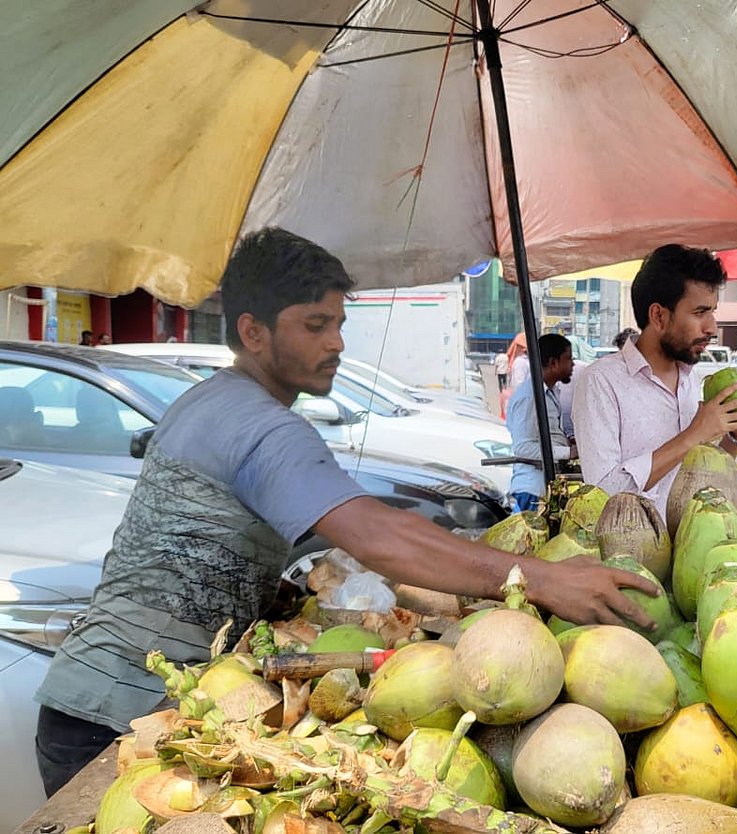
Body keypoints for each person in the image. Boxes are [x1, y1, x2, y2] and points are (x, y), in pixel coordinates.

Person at [33, 228, 656, 796]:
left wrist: (262, 588)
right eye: (314, 325)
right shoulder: (261, 426)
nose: (336, 343)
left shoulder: (208, 401)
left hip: (108, 703)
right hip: (113, 718)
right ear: (254, 332)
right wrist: (542, 578)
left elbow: (188, 534)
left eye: (338, 323)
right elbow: (377, 536)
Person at [573, 244, 737, 520]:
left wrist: (736, 437)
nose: (712, 328)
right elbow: (604, 493)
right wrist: (693, 435)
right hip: (631, 557)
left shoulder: (689, 379)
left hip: (692, 546)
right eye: (700, 313)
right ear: (659, 316)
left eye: (713, 312)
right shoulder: (601, 383)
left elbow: (699, 473)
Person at [506, 334, 575, 511]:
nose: (573, 364)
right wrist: (568, 452)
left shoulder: (549, 392)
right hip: (532, 489)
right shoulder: (529, 397)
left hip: (544, 487)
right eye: (568, 358)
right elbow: (524, 448)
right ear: (553, 362)